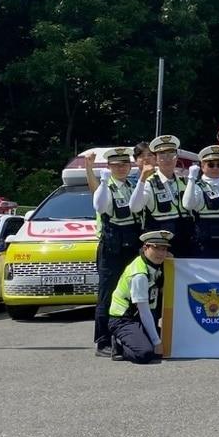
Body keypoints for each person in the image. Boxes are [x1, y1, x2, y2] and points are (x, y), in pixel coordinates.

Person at [89, 147, 140, 357]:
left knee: (131, 294)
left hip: (131, 247)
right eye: (116, 165)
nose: (121, 168)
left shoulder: (132, 186)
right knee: (107, 296)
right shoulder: (106, 186)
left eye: (125, 164)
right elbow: (100, 206)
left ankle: (125, 337)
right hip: (111, 249)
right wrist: (101, 180)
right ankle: (102, 341)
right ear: (109, 167)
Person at [106, 229, 171, 364]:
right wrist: (157, 342)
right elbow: (144, 311)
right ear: (145, 248)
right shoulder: (139, 275)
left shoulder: (152, 263)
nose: (161, 253)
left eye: (164, 249)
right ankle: (119, 345)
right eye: (157, 248)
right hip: (124, 319)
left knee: (172, 343)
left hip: (140, 317)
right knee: (145, 353)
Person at [129, 134, 194, 256]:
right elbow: (135, 207)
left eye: (171, 154)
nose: (167, 159)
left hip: (185, 245)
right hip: (159, 248)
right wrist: (142, 179)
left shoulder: (184, 182)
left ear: (177, 157)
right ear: (156, 159)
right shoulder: (149, 183)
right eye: (162, 155)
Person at [182, 145, 219, 259]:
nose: (215, 168)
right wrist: (191, 179)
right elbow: (187, 205)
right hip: (204, 244)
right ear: (202, 166)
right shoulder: (197, 186)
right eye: (211, 165)